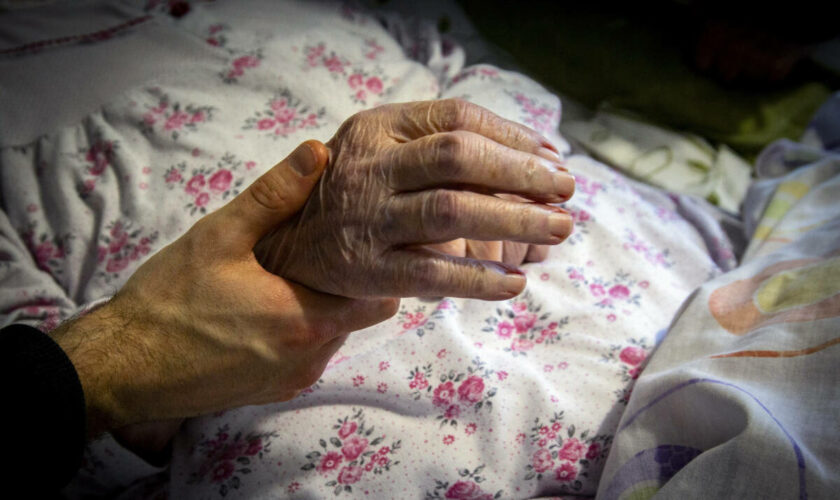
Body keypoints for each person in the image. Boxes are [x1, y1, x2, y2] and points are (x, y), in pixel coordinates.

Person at [1, 99, 574, 494]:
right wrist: (278, 266)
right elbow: (64, 450)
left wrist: (490, 161)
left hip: (599, 274)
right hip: (346, 432)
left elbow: (494, 76)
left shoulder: (322, 12)